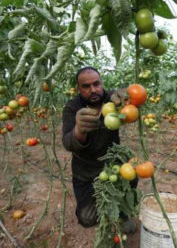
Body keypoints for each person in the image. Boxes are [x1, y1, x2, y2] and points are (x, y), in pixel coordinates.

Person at [62, 67, 136, 231]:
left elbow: (127, 103)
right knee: (87, 218)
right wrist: (78, 130)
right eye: (86, 86)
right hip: (85, 172)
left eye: (96, 84)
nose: (93, 90)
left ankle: (122, 212)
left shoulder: (111, 99)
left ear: (102, 83)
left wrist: (126, 98)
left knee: (132, 177)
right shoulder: (72, 108)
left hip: (112, 165)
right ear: (78, 89)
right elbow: (67, 142)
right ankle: (100, 206)